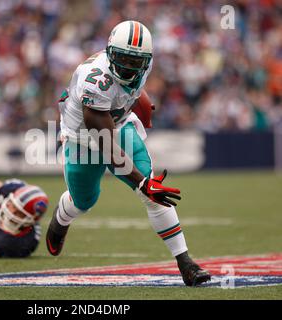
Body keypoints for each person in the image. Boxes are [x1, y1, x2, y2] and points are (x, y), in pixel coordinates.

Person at [46, 21, 211, 286]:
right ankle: (61, 217)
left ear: (146, 60)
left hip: (119, 126)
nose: (127, 67)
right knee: (84, 200)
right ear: (110, 52)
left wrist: (139, 101)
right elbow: (106, 143)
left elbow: (131, 89)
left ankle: (186, 263)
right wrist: (140, 181)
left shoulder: (143, 67)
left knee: (154, 193)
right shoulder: (95, 82)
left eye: (135, 61)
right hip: (83, 138)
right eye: (121, 59)